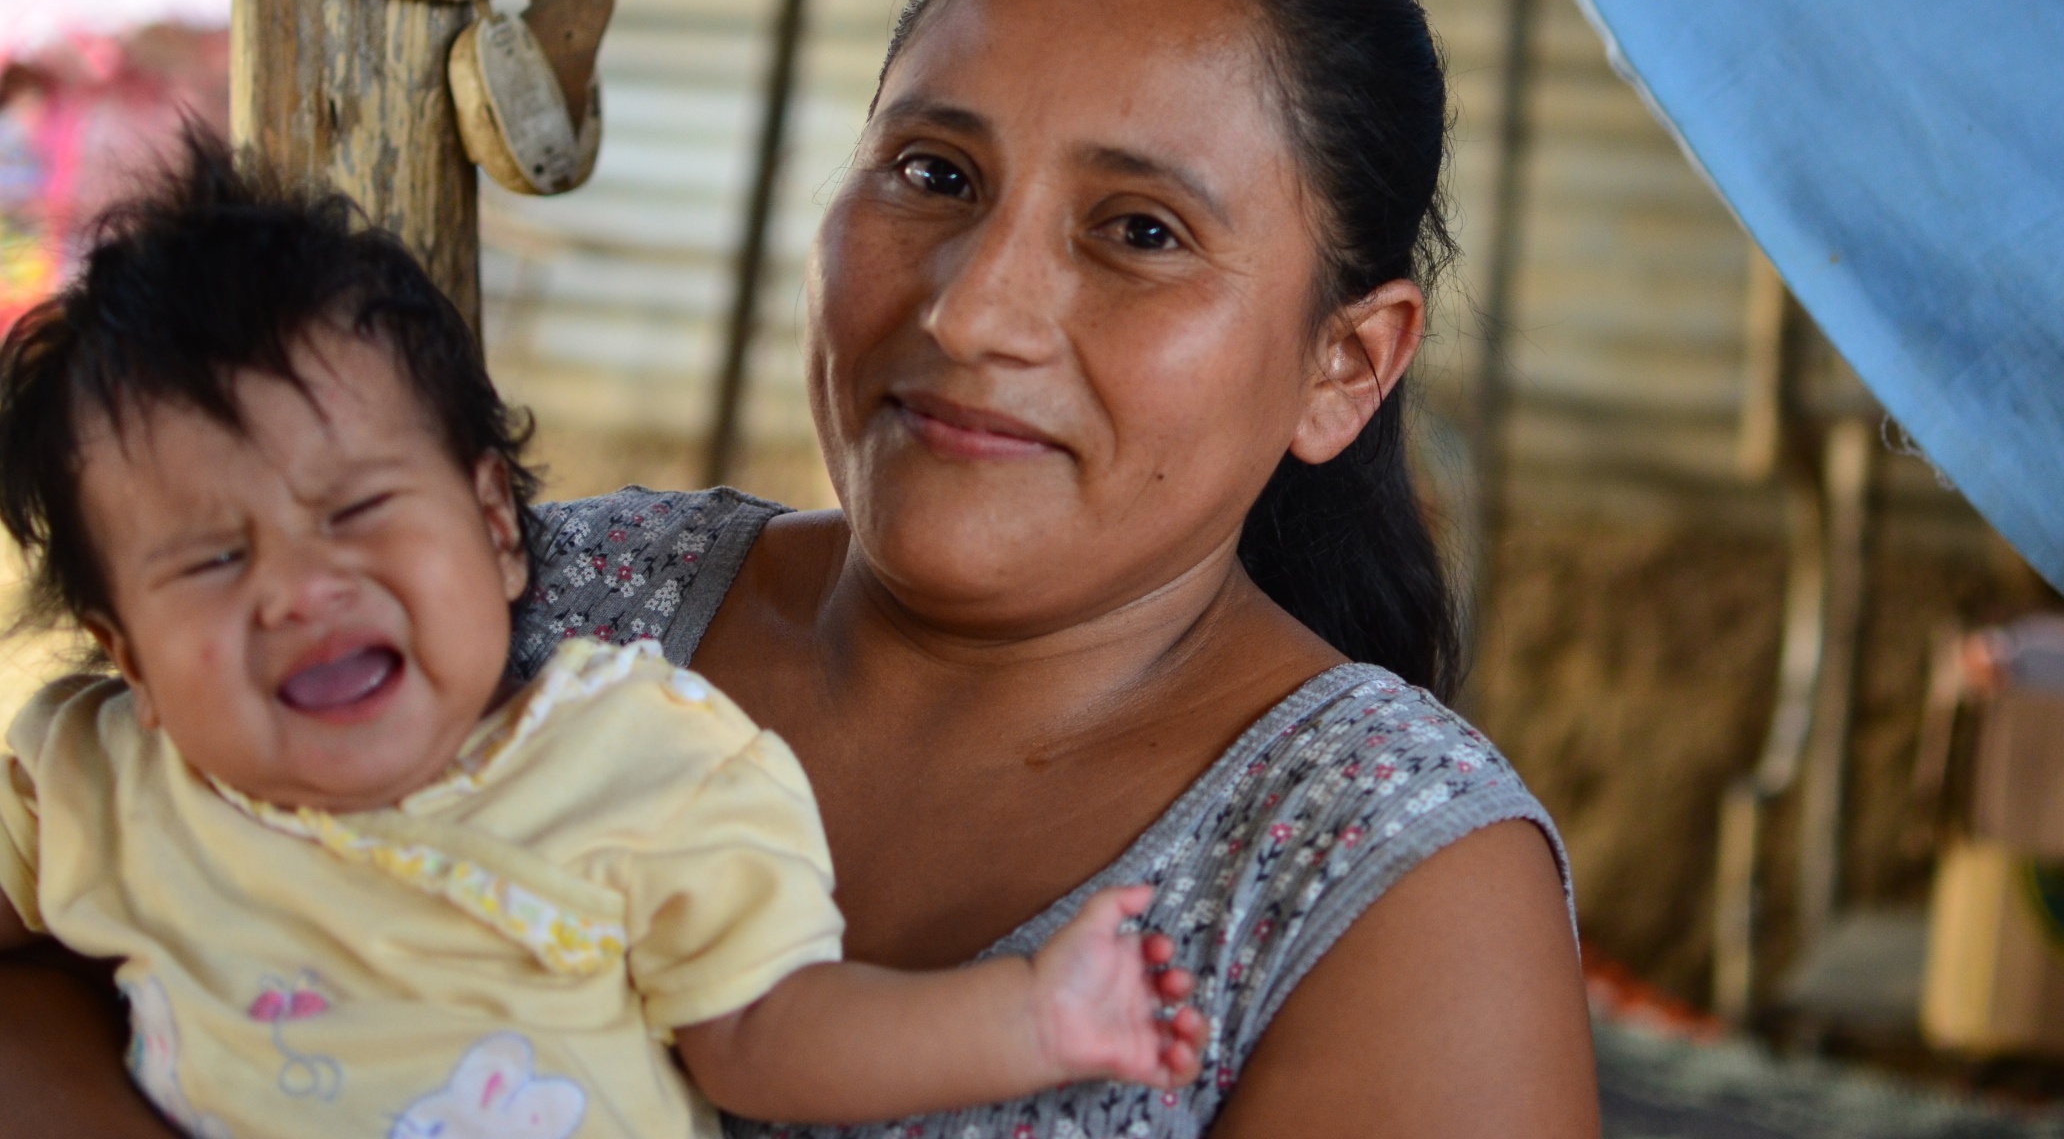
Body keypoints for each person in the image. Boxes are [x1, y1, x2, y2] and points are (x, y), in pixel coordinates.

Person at [0, 0, 1599, 1135]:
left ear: (1346, 365)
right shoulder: (540, 606)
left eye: (1141, 232)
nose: (973, 311)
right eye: (935, 175)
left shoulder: (1373, 878)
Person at [0, 142, 1209, 1139]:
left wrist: (1027, 1018)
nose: (299, 590)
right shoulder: (89, 778)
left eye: (356, 510)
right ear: (130, 656)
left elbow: (766, 1036)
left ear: (495, 530)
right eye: (213, 561)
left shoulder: (637, 766)